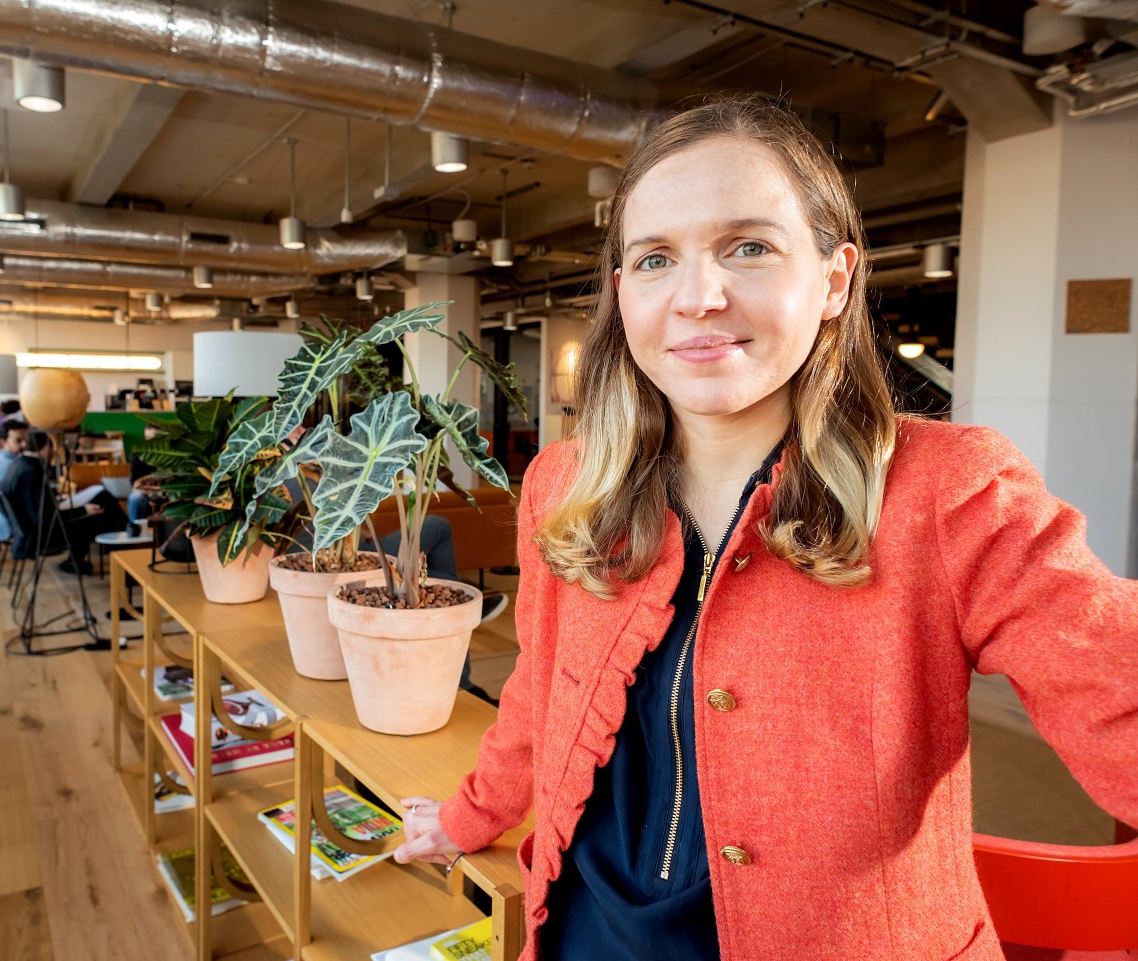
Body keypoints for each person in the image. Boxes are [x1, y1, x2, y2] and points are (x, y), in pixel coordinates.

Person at [393, 97, 1138, 960]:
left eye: (748, 247)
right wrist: (462, 818)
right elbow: (539, 699)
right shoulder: (564, 485)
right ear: (622, 291)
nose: (699, 297)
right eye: (656, 258)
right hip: (590, 939)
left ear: (834, 280)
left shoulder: (951, 490)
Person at [0, 430, 127, 575]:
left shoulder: (18, 465)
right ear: (45, 448)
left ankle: (76, 561)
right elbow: (44, 517)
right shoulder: (32, 472)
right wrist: (83, 510)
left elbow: (39, 510)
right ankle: (125, 565)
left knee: (102, 502)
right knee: (107, 516)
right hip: (42, 537)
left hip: (28, 534)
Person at [0, 418, 28, 544]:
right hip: (18, 527)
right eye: (18, 441)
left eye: (26, 440)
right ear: (3, 442)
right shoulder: (12, 466)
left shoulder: (1, 460)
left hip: (8, 526)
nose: (24, 445)